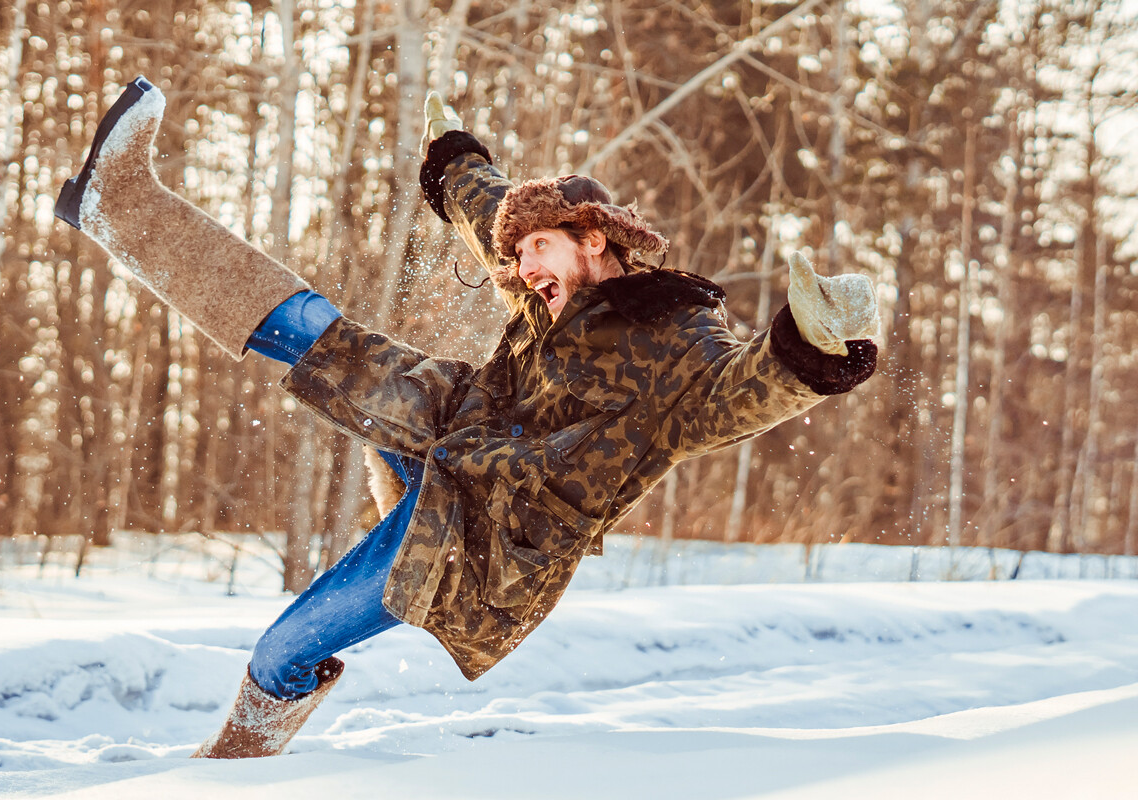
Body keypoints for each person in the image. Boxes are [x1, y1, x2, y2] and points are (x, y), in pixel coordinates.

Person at [55, 78, 879, 759]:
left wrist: (808, 351)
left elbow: (735, 394)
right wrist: (457, 159)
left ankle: (230, 766)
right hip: (458, 428)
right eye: (514, 256)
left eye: (538, 250)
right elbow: (489, 212)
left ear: (594, 239)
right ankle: (116, 207)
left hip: (489, 530)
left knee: (278, 655)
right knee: (317, 334)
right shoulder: (542, 279)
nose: (520, 268)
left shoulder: (671, 334)